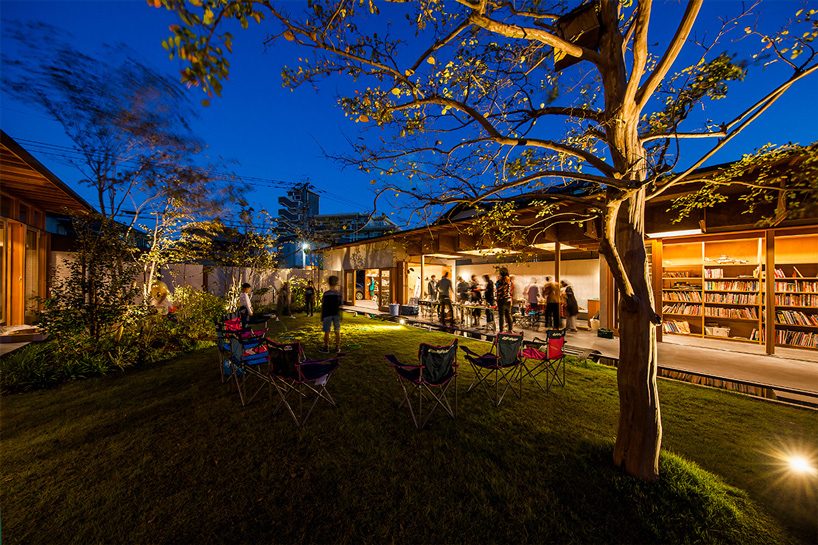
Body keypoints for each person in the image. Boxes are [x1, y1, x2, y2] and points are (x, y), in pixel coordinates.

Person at [321, 275, 343, 353]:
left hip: (327, 314)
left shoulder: (326, 294)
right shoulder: (338, 294)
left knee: (327, 331)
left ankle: (326, 347)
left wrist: (322, 316)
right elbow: (340, 304)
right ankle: (337, 347)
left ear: (329, 283)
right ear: (336, 283)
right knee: (337, 331)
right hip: (336, 314)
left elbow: (323, 305)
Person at [496, 268, 513, 332]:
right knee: (508, 314)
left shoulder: (501, 280)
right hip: (508, 299)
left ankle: (501, 330)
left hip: (501, 299)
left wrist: (498, 280)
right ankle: (510, 329)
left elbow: (498, 288)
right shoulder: (508, 279)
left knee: (501, 316)